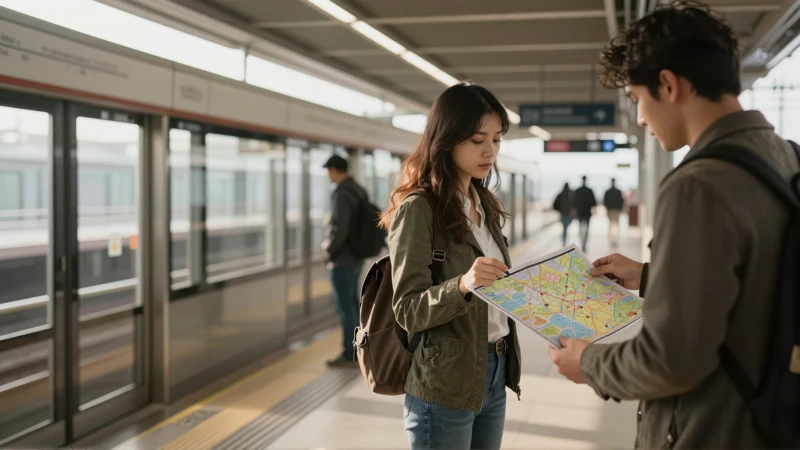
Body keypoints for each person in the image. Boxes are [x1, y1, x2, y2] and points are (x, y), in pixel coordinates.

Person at [548, 2, 800, 448]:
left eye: (637, 99)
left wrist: (588, 363)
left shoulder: (697, 186)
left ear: (668, 84)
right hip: (772, 415)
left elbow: (670, 360)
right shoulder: (787, 157)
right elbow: (758, 282)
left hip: (713, 429)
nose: (641, 118)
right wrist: (651, 276)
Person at [380, 82, 522, 450]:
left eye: (497, 140)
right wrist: (461, 285)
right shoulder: (419, 208)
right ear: (446, 140)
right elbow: (407, 309)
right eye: (477, 140)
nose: (490, 151)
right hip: (444, 381)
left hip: (494, 371)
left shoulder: (484, 203)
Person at [322, 154, 367, 367]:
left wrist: (329, 250)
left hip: (343, 259)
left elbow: (340, 228)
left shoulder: (341, 193)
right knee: (353, 304)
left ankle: (350, 352)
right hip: (357, 257)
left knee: (345, 308)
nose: (328, 175)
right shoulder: (358, 189)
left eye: (328, 171)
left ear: (334, 170)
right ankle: (359, 348)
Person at [572, 176, 596, 249]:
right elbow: (594, 202)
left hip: (580, 212)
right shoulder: (590, 190)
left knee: (580, 228)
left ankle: (582, 242)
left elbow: (574, 203)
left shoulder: (578, 190)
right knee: (587, 229)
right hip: (587, 212)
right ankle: (584, 243)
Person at [603, 178, 625, 246]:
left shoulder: (608, 191)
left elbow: (605, 202)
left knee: (611, 225)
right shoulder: (618, 191)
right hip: (616, 210)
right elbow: (621, 201)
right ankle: (615, 239)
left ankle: (611, 239)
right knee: (616, 225)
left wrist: (607, 208)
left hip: (610, 210)